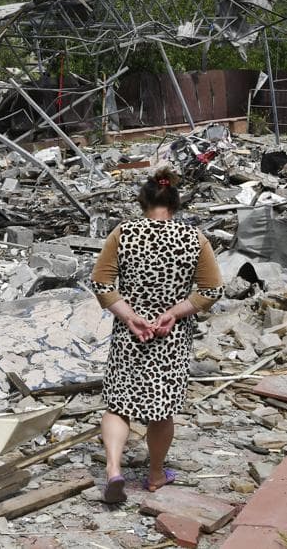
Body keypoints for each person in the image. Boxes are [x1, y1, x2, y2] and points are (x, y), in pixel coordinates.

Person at [89, 167, 223, 503]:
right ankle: (155, 474)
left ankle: (113, 470)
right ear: (175, 203)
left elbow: (101, 283)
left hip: (129, 334)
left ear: (143, 201)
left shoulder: (123, 233)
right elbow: (210, 290)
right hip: (170, 337)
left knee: (118, 405)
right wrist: (174, 312)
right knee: (161, 410)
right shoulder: (194, 238)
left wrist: (131, 316)